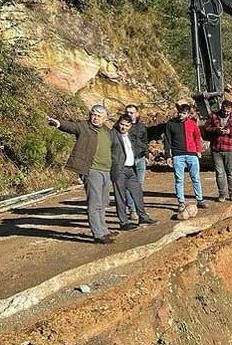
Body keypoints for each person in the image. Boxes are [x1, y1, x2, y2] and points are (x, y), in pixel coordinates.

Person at [47, 105, 118, 244]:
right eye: (93, 114)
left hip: (105, 170)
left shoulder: (107, 131)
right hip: (92, 169)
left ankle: (104, 230)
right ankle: (98, 234)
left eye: (99, 116)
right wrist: (58, 123)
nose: (95, 118)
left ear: (105, 118)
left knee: (103, 202)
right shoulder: (84, 127)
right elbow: (71, 127)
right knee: (94, 202)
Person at [111, 114, 158, 230]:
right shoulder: (112, 134)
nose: (123, 127)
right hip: (119, 169)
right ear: (118, 123)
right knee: (120, 196)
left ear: (130, 126)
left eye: (126, 125)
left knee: (137, 192)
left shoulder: (129, 135)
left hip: (131, 169)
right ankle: (123, 222)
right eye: (122, 124)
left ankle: (142, 216)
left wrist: (145, 154)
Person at [163, 103, 207, 211]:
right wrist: (168, 156)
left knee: (196, 178)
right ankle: (181, 202)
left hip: (192, 154)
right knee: (179, 180)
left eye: (184, 113)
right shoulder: (170, 124)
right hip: (178, 155)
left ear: (188, 114)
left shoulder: (192, 123)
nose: (181, 115)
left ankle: (200, 199)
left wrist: (198, 150)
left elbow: (197, 137)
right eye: (180, 112)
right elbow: (167, 141)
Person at [203, 99, 232, 202]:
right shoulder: (213, 116)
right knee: (219, 173)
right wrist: (216, 130)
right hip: (216, 149)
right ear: (222, 108)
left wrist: (230, 132)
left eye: (228, 111)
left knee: (230, 172)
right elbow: (206, 128)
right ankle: (222, 195)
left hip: (229, 149)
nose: (226, 113)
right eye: (224, 111)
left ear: (231, 110)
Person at [123, 104, 148, 222]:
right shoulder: (122, 127)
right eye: (127, 112)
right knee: (129, 186)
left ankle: (139, 209)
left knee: (139, 186)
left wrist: (146, 155)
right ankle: (132, 210)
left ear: (137, 113)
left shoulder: (142, 126)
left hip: (140, 158)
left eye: (131, 112)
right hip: (128, 160)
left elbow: (145, 141)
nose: (129, 114)